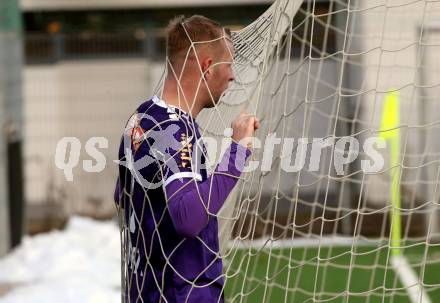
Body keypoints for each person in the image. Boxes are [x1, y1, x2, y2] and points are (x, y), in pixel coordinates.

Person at [114, 15, 259, 303]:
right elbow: (189, 218)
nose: (232, 76)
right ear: (207, 67)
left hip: (144, 289)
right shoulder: (175, 129)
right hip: (181, 293)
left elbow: (122, 196)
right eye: (228, 65)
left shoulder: (141, 117)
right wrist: (238, 152)